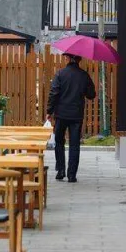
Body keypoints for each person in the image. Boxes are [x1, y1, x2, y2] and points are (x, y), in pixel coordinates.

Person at [47, 54, 96, 183]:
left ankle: (61, 170)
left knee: (59, 142)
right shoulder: (84, 75)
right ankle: (72, 175)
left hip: (61, 114)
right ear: (79, 59)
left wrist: (49, 111)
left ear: (68, 59)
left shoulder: (60, 74)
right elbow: (91, 95)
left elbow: (54, 93)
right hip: (76, 115)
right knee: (74, 145)